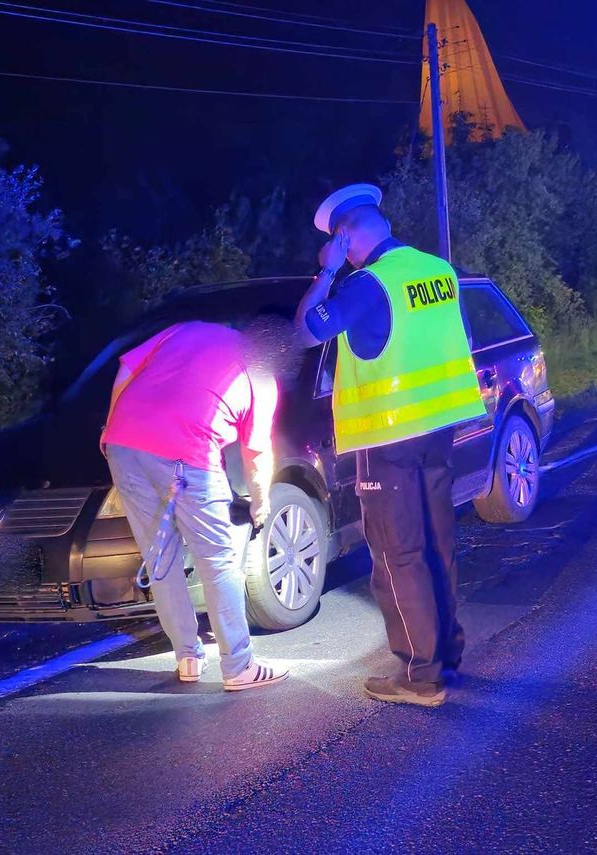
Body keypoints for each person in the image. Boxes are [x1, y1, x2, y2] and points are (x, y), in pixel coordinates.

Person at [294, 183, 485, 707]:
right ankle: (446, 653)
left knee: (398, 554)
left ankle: (420, 676)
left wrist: (328, 271)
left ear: (344, 236)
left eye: (339, 242)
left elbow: (307, 331)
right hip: (438, 429)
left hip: (388, 437)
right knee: (436, 543)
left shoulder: (367, 283)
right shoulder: (436, 271)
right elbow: (456, 339)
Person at [100, 315, 295, 691]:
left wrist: (111, 427)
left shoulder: (187, 330)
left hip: (123, 446)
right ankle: (239, 666)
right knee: (218, 560)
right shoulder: (262, 375)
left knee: (161, 558)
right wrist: (260, 502)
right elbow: (256, 452)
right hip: (185, 453)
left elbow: (126, 367)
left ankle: (188, 657)